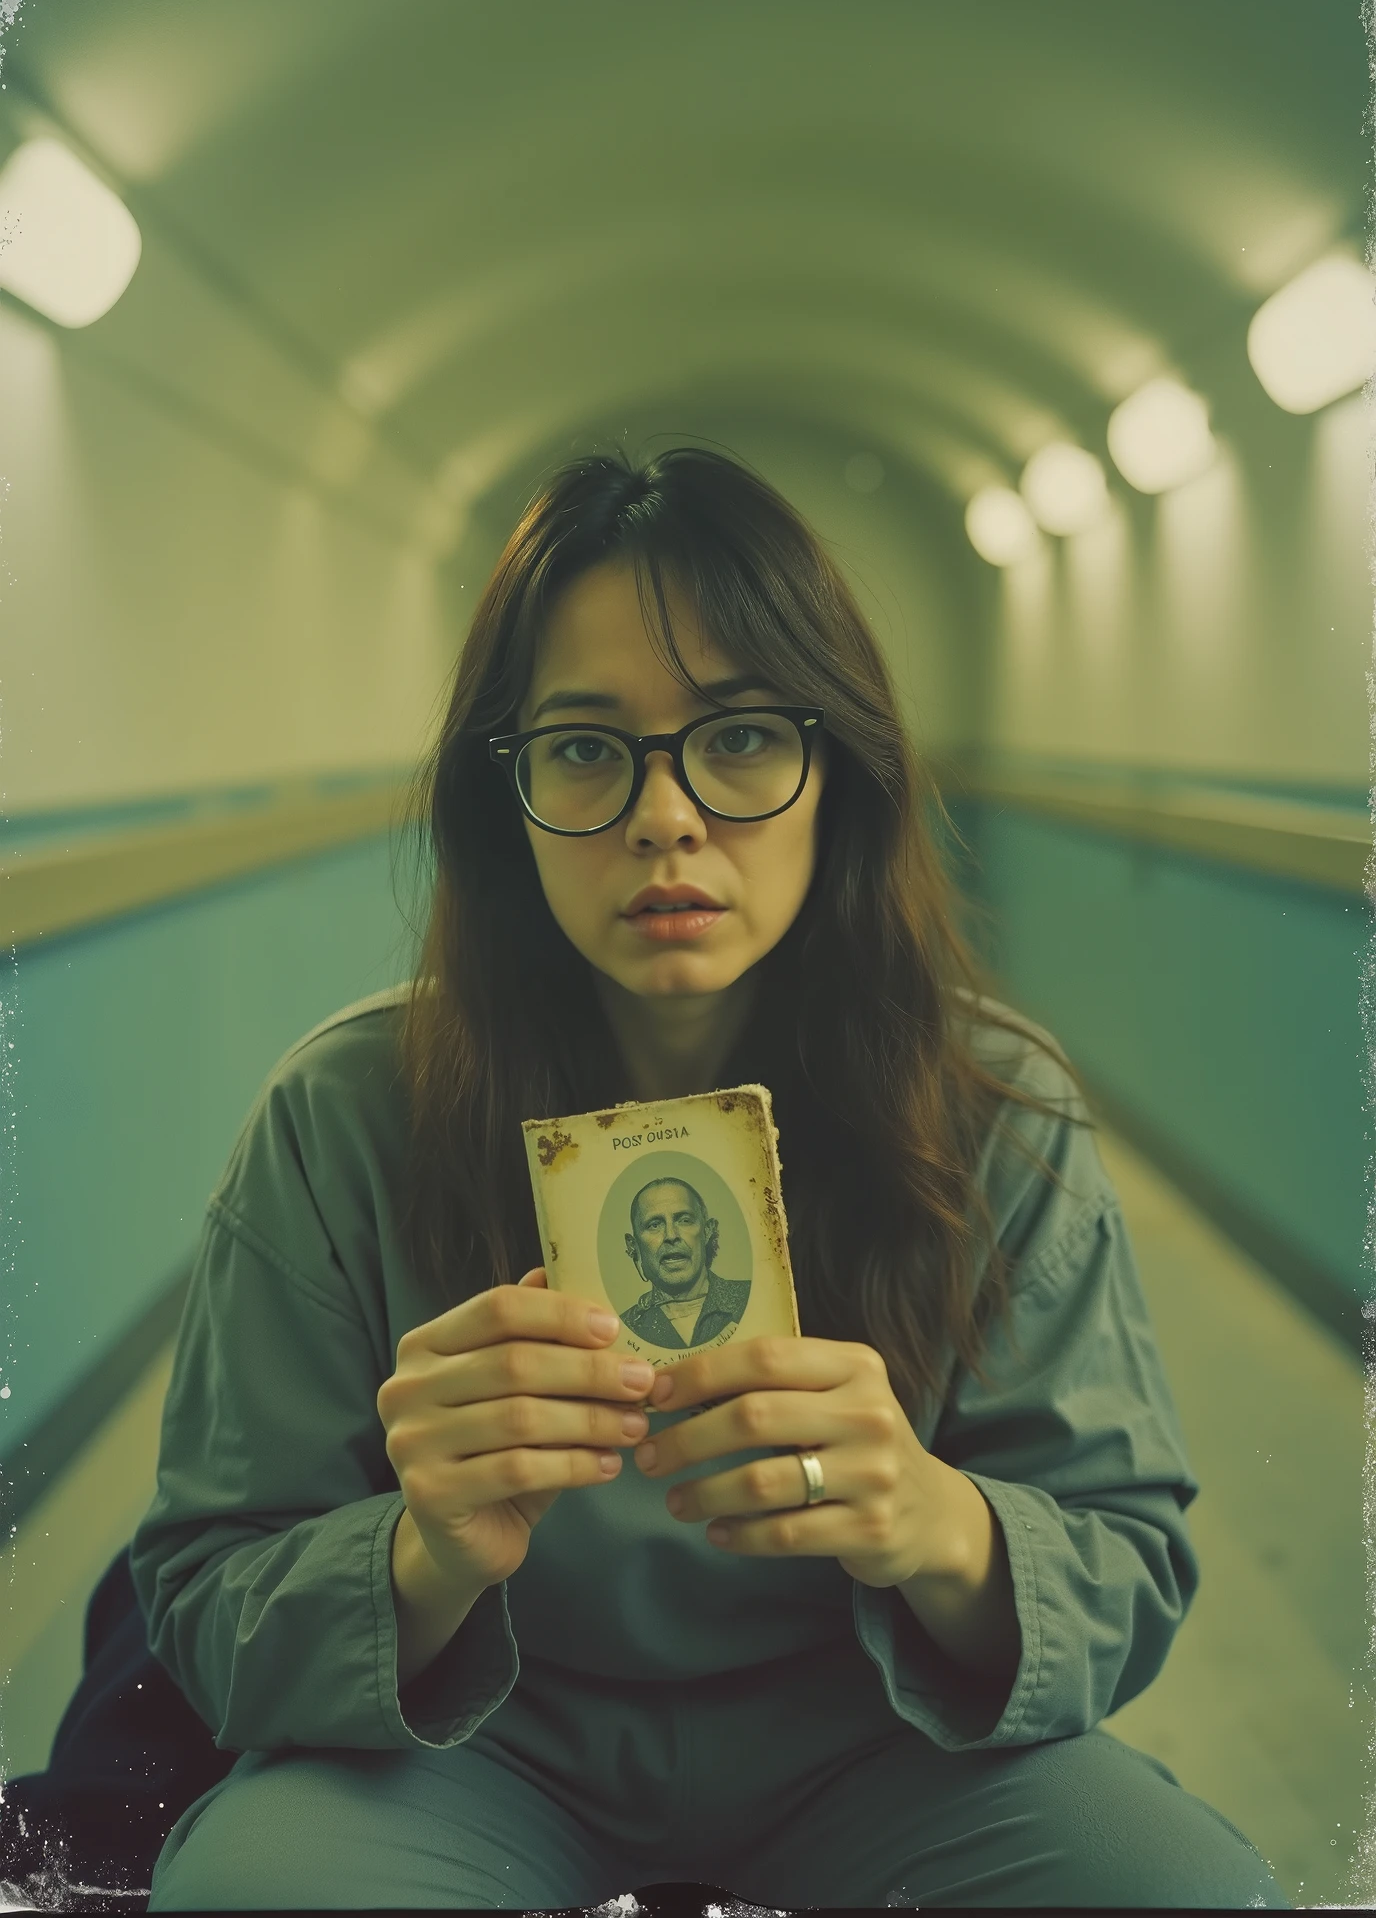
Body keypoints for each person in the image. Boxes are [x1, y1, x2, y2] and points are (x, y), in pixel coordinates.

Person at [130, 445, 1287, 1909]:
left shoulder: (996, 1111)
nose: (665, 816)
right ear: (509, 799)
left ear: (839, 779)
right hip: (476, 1751)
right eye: (586, 748)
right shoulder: (343, 1116)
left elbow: (1127, 1563)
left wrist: (935, 1520)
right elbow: (200, 1597)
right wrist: (423, 1555)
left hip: (877, 1739)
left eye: (740, 737)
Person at [619, 1175, 750, 1349]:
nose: (671, 1236)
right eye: (654, 1225)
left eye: (684, 1220)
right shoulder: (623, 1329)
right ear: (633, 1245)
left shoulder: (750, 1298)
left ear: (707, 1231)